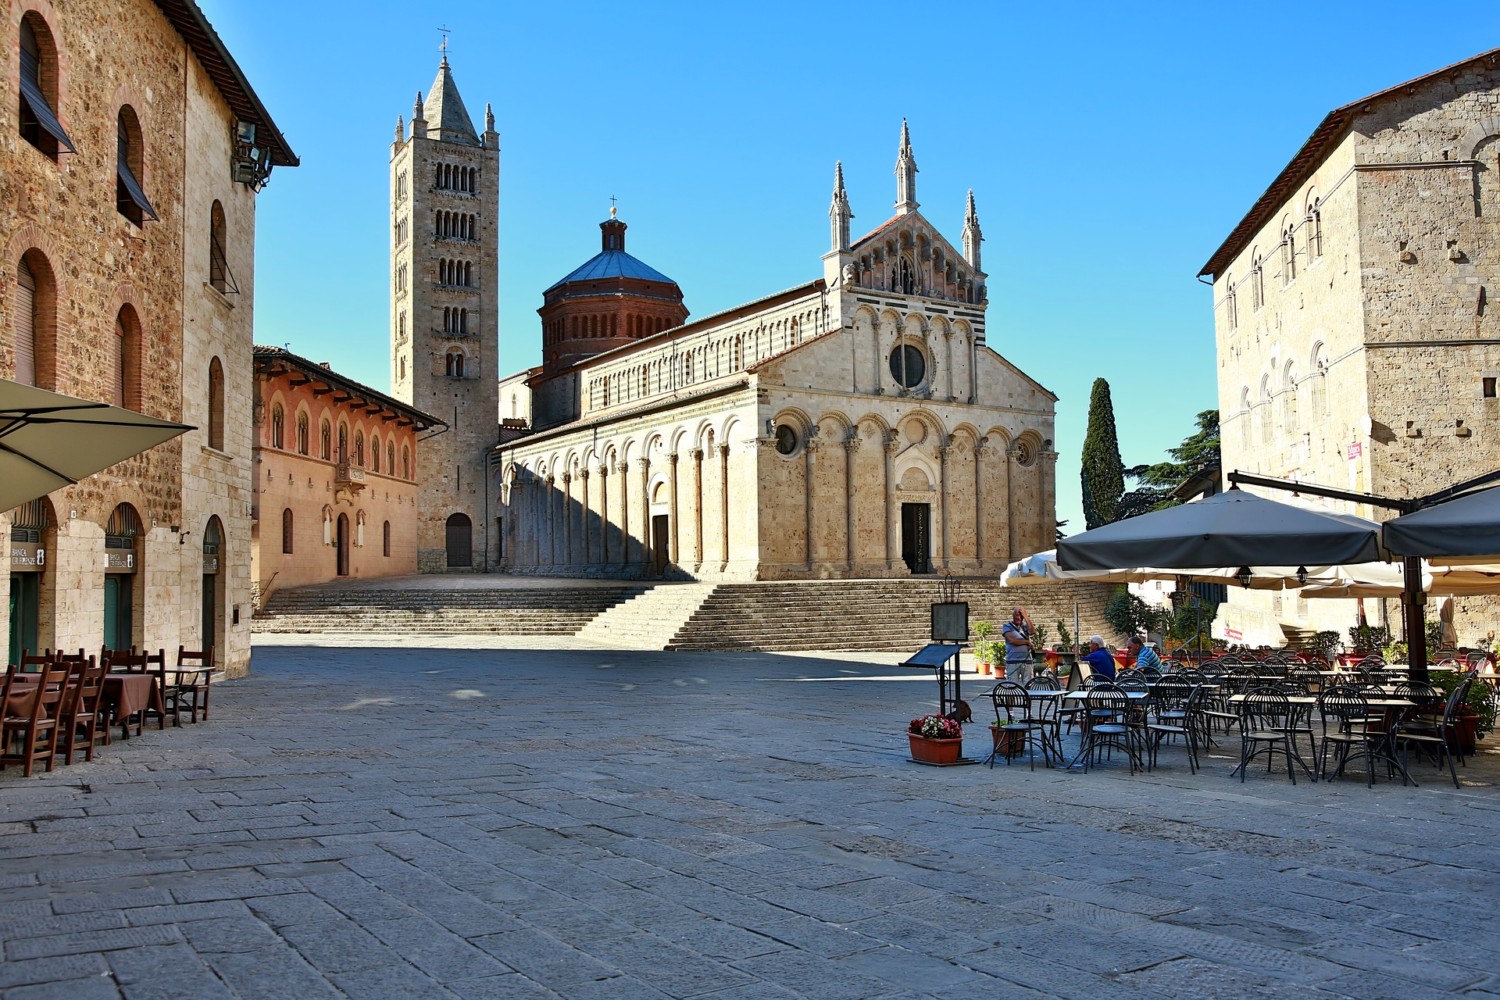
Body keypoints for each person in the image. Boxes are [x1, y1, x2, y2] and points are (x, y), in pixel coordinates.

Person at [999, 607, 1035, 685]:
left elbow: (1032, 632)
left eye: (1020, 616)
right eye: (1016, 615)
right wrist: (1027, 642)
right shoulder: (1007, 626)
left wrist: (1026, 617)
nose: (1018, 618)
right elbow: (1012, 640)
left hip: (1026, 661)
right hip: (1012, 661)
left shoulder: (1025, 626)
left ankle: (1027, 697)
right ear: (1013, 616)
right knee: (1011, 686)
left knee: (1028, 685)